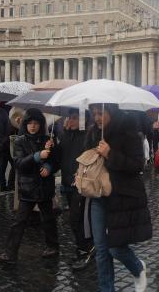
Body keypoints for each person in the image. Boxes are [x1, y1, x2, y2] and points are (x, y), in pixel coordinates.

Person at [86, 103, 151, 292]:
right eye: (94, 113)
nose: (97, 117)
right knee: (101, 250)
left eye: (101, 113)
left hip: (121, 197)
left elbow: (137, 165)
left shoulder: (128, 130)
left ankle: (138, 267)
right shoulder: (93, 133)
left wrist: (110, 154)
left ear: (111, 112)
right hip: (99, 195)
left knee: (115, 247)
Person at [0, 108, 61, 264]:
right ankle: (10, 253)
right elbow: (19, 164)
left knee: (49, 219)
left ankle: (53, 247)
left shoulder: (48, 139)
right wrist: (37, 156)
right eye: (30, 123)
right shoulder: (20, 141)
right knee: (19, 222)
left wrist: (49, 167)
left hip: (44, 187)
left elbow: (56, 162)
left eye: (36, 123)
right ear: (25, 124)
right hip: (28, 188)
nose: (33, 126)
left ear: (41, 124)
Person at [59, 109, 94, 270]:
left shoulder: (88, 136)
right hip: (67, 183)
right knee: (75, 220)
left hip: (80, 184)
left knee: (77, 218)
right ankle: (84, 247)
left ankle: (85, 250)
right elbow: (61, 156)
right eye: (69, 118)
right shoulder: (66, 134)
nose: (70, 121)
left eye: (74, 118)